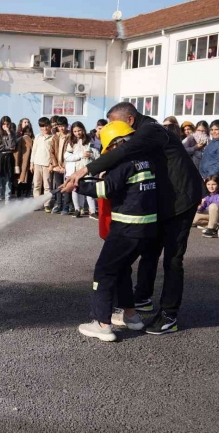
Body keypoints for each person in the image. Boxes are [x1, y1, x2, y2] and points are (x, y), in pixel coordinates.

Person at [63, 102, 204, 335]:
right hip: (159, 204)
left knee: (173, 260)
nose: (112, 131)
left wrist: (82, 172)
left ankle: (169, 315)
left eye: (113, 125)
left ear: (129, 121)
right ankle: (139, 303)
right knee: (148, 252)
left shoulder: (151, 130)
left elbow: (123, 152)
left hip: (181, 201)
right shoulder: (140, 135)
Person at [75, 121, 155, 342]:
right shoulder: (146, 160)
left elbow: (105, 189)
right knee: (121, 269)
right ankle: (131, 316)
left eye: (108, 148)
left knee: (104, 272)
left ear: (115, 144)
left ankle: (102, 324)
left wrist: (77, 186)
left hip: (126, 228)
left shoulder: (124, 163)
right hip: (147, 229)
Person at [64, 121, 100, 218]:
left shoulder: (90, 140)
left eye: (79, 130)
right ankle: (77, 209)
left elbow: (97, 155)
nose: (77, 133)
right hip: (75, 170)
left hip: (87, 169)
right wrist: (80, 155)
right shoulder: (71, 141)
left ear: (83, 130)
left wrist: (91, 155)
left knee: (89, 190)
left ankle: (92, 211)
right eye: (75, 131)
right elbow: (67, 157)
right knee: (75, 189)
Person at [48, 116, 72, 214]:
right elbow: (51, 152)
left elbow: (71, 152)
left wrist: (65, 166)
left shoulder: (70, 136)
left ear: (66, 126)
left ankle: (66, 206)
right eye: (59, 126)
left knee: (66, 186)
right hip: (57, 166)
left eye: (63, 126)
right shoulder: (55, 137)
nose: (61, 128)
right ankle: (58, 204)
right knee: (58, 186)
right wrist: (55, 165)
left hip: (67, 166)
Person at [31, 117, 54, 211]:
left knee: (47, 186)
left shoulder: (53, 137)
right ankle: (37, 203)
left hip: (47, 164)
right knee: (36, 184)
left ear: (50, 126)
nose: (45, 128)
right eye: (42, 127)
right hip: (37, 163)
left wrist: (52, 164)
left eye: (46, 126)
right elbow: (34, 150)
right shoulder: (37, 137)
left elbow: (54, 152)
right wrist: (31, 163)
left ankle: (47, 204)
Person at [0, 116, 16, 206]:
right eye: (4, 124)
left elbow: (13, 145)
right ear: (1, 124)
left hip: (9, 157)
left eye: (7, 124)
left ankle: (8, 199)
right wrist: (8, 147)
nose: (5, 126)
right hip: (0, 157)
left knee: (8, 179)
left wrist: (9, 133)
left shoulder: (12, 133)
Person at [14, 124, 34, 199]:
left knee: (28, 181)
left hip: (30, 163)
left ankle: (24, 197)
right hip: (22, 163)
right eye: (25, 132)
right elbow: (17, 153)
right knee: (21, 181)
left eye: (29, 132)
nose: (27, 134)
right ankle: (21, 197)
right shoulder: (21, 140)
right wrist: (17, 165)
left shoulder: (34, 140)